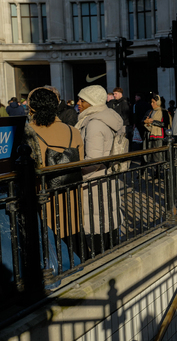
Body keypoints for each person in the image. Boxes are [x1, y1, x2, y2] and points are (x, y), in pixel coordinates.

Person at [25, 87, 85, 257]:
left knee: (48, 243)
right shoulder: (73, 131)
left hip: (42, 195)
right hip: (70, 193)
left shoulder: (27, 133)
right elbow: (79, 160)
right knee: (70, 236)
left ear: (31, 108)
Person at [75, 85, 124, 253]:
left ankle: (102, 259)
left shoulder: (94, 123)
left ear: (92, 102)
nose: (78, 103)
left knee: (98, 224)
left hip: (93, 180)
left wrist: (76, 171)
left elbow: (93, 159)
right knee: (107, 220)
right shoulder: (107, 117)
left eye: (82, 100)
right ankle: (111, 255)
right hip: (106, 177)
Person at [143, 94, 171, 164]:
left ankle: (160, 172)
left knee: (159, 156)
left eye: (153, 102)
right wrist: (145, 121)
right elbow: (143, 120)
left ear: (158, 102)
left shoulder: (164, 112)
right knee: (151, 156)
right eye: (151, 102)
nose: (152, 104)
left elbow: (165, 124)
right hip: (150, 136)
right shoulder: (150, 111)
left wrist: (153, 122)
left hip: (160, 137)